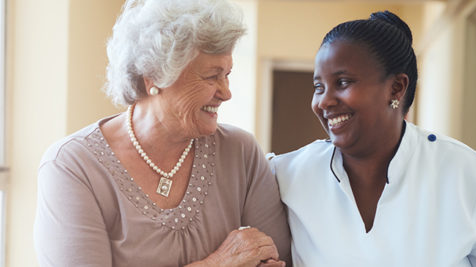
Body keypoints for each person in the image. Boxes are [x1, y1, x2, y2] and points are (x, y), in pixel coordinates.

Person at [33, 0, 290, 266]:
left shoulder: (241, 152)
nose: (226, 93)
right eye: (211, 76)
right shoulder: (73, 167)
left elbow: (279, 260)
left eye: (227, 74)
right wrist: (219, 263)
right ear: (154, 76)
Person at [269, 11, 476, 266]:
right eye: (319, 87)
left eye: (343, 82)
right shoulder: (285, 176)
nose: (324, 101)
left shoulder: (470, 177)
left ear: (396, 87)